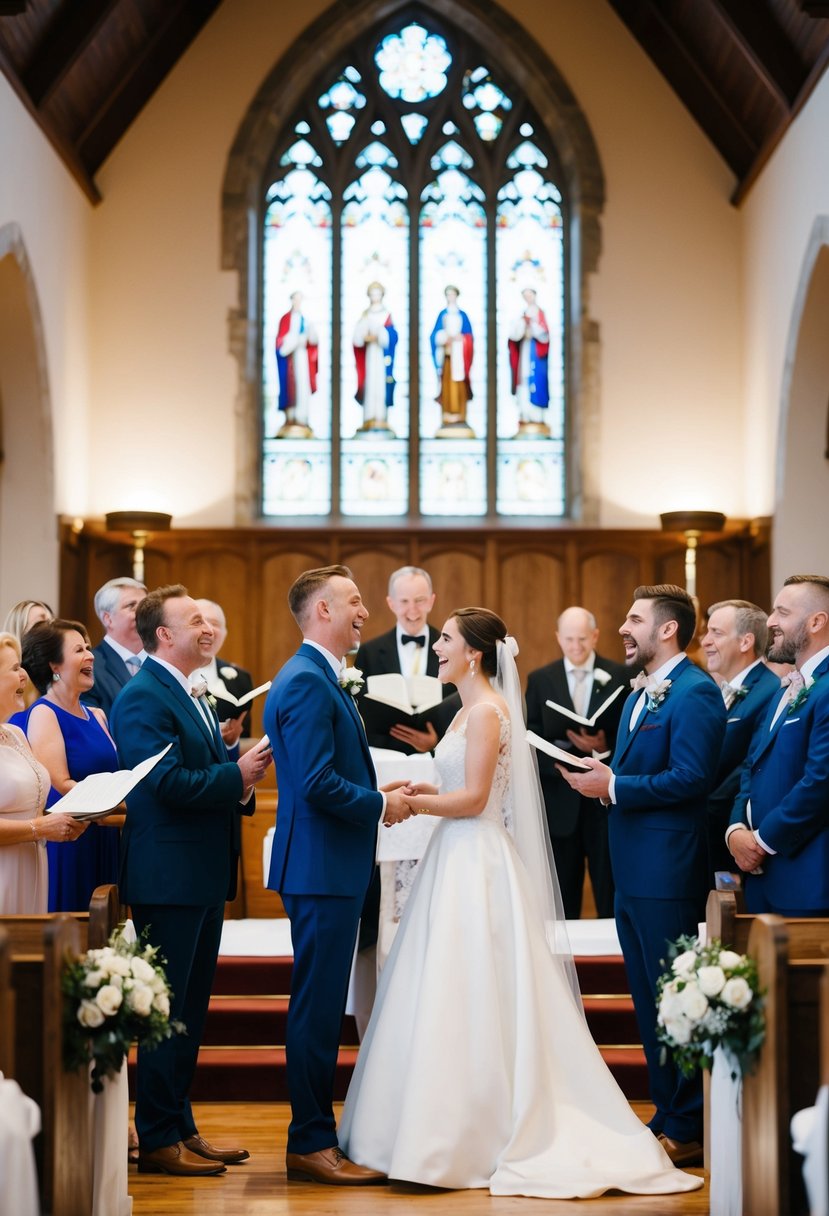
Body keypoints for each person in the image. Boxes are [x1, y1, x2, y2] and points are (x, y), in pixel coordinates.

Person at [339, 607, 702, 1199]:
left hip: (475, 860)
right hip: (452, 858)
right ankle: (421, 1129)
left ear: (474, 654)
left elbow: (478, 799)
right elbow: (461, 784)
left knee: (476, 989)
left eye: (447, 640)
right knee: (446, 988)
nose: (436, 648)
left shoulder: (486, 711)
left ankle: (474, 1131)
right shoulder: (464, 713)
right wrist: (423, 788)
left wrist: (413, 807)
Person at [558, 584, 726, 1168]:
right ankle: (666, 1113)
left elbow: (693, 779)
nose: (622, 629)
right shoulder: (639, 697)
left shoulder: (695, 692)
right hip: (633, 870)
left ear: (667, 630)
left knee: (671, 999)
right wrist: (606, 770)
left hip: (669, 872)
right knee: (649, 1002)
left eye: (633, 620)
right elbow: (641, 771)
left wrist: (616, 787)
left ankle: (688, 1122)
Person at [109, 585, 272, 1177]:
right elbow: (167, 786)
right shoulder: (141, 698)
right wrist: (239, 773)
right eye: (195, 621)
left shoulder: (192, 690)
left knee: (191, 1010)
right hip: (168, 876)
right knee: (167, 1010)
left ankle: (180, 1124)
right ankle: (155, 1136)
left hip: (199, 873)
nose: (208, 629)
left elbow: (203, 772)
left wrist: (240, 779)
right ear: (163, 636)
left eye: (208, 618)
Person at [262, 565, 412, 1186]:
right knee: (318, 1006)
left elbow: (330, 771)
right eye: (353, 602)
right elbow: (317, 783)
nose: (365, 613)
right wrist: (381, 805)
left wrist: (379, 788)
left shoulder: (321, 676)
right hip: (321, 866)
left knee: (325, 1002)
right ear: (322, 610)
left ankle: (317, 1135)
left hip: (332, 862)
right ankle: (309, 1141)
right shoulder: (303, 681)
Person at [727, 575, 829, 916]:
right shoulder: (781, 691)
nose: (770, 621)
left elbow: (820, 782)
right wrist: (736, 829)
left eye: (782, 612)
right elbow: (751, 767)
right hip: (761, 876)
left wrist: (761, 840)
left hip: (808, 875)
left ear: (816, 622)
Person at [525, 605, 628, 918]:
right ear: (558, 638)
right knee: (563, 896)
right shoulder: (541, 678)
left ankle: (613, 960)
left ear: (595, 636)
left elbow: (629, 734)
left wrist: (603, 746)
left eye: (582, 638)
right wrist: (561, 763)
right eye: (569, 639)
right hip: (561, 800)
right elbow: (531, 735)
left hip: (605, 804)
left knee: (608, 889)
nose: (576, 646)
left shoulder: (621, 676)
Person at [20, 619, 121, 912]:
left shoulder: (98, 715)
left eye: (88, 648)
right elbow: (60, 784)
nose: (90, 655)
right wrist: (119, 803)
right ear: (54, 665)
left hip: (106, 834)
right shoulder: (44, 713)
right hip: (72, 843)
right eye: (79, 650)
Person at [0, 631, 86, 914]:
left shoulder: (14, 734)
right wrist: (40, 828)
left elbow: (28, 804)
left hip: (33, 865)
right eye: (14, 668)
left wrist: (62, 822)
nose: (24, 675)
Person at [699, 598, 779, 882]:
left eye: (716, 633)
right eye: (706, 632)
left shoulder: (770, 692)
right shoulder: (722, 689)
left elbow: (748, 768)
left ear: (746, 642)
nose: (705, 641)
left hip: (729, 831)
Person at [354, 565, 459, 755]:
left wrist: (436, 743)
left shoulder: (452, 649)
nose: (413, 610)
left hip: (440, 756)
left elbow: (461, 704)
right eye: (404, 601)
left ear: (431, 601)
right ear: (391, 603)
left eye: (420, 600)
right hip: (386, 757)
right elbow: (361, 712)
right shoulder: (369, 652)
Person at [194, 598, 253, 759]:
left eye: (214, 623)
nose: (209, 630)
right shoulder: (173, 674)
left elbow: (243, 737)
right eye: (199, 622)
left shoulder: (241, 679)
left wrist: (230, 741)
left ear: (225, 634)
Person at [81, 576, 147, 716]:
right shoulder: (89, 666)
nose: (143, 612)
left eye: (145, 605)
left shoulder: (159, 661)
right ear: (108, 619)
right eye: (131, 606)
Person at [353, 282, 398, 433]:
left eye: (378, 294)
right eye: (373, 294)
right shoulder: (365, 315)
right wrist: (365, 336)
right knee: (370, 383)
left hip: (381, 356)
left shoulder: (386, 315)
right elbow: (357, 339)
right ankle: (369, 416)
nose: (375, 297)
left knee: (381, 383)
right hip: (369, 356)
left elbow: (392, 337)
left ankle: (381, 416)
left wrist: (380, 334)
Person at [429, 285, 474, 435]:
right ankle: (447, 414)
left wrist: (460, 339)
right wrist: (444, 337)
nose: (450, 297)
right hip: (448, 357)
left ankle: (460, 414)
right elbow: (434, 335)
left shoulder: (463, 316)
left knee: (459, 385)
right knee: (447, 385)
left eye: (452, 295)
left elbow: (469, 337)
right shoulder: (442, 315)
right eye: (448, 295)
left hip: (459, 358)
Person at [275, 290, 318, 437]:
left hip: (302, 360)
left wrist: (309, 336)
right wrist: (294, 340)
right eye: (295, 299)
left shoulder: (305, 320)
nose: (297, 303)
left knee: (302, 387)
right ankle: (290, 417)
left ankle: (302, 418)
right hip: (289, 361)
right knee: (290, 388)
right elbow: (281, 345)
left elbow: (313, 342)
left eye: (300, 300)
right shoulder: (285, 320)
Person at [507, 285, 550, 432]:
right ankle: (524, 413)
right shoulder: (522, 314)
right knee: (523, 380)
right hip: (525, 350)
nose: (528, 298)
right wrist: (522, 326)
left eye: (530, 295)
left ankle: (536, 415)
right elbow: (513, 336)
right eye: (525, 296)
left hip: (536, 355)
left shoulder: (540, 314)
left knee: (537, 381)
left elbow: (545, 336)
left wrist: (532, 325)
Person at [3, 600, 54, 707]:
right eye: (41, 623)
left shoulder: (54, 672)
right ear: (19, 630)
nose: (52, 630)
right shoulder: (10, 677)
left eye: (52, 622)